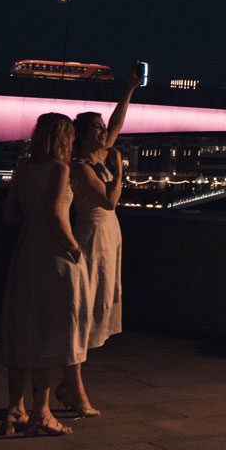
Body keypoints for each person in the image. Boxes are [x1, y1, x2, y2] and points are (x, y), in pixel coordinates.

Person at [1, 113, 91, 436]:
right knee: (49, 331)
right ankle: (42, 412)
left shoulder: (23, 169)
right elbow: (56, 214)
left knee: (23, 328)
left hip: (26, 252)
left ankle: (14, 409)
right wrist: (75, 248)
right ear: (64, 138)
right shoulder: (60, 169)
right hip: (54, 257)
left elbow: (10, 214)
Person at [63, 66, 137, 415]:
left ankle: (70, 380)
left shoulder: (99, 156)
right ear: (81, 135)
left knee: (101, 301)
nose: (103, 131)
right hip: (92, 236)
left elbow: (118, 122)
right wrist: (121, 169)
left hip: (110, 236)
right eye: (95, 128)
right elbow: (109, 200)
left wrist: (129, 90)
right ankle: (71, 383)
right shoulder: (81, 166)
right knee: (85, 305)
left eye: (101, 127)